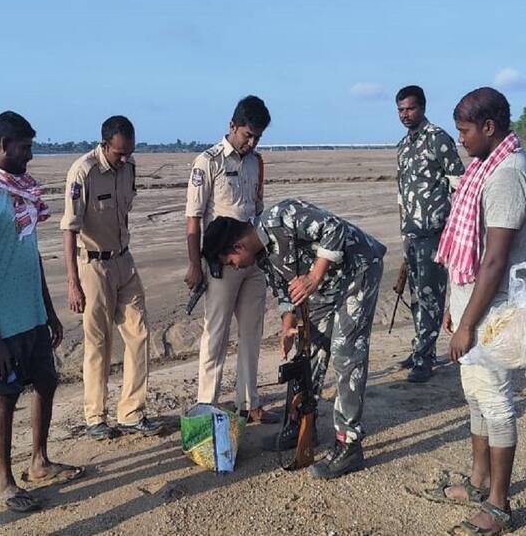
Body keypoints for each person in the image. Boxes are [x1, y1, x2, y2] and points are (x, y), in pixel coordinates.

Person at [202, 198, 386, 479]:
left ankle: (349, 445)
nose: (235, 268)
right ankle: (302, 426)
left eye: (231, 262)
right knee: (307, 350)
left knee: (345, 353)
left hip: (357, 269)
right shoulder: (261, 254)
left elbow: (333, 228)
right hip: (326, 284)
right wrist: (289, 323)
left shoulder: (282, 215)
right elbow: (284, 288)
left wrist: (313, 277)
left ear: (237, 246)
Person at [0, 111, 83, 513]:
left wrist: (48, 311)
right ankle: (4, 483)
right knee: (5, 398)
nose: (30, 155)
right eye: (25, 148)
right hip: (2, 324)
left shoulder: (20, 195)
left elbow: (29, 258)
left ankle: (39, 461)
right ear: (3, 146)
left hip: (31, 315)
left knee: (46, 383)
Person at [429, 88, 526, 535]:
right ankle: (478, 482)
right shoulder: (482, 168)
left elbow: (494, 260)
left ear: (489, 127)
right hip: (472, 304)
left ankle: (498, 505)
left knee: (496, 401)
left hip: (491, 313)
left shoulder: (507, 175)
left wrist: (469, 320)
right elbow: (469, 255)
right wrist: (456, 307)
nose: (461, 140)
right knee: (475, 396)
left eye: (465, 131)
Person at [61, 116, 162, 439]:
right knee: (98, 342)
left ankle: (131, 412)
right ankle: (95, 417)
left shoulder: (129, 168)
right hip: (92, 266)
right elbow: (69, 227)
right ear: (105, 144)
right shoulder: (83, 171)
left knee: (139, 333)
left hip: (123, 261)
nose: (124, 159)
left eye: (128, 153)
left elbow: (124, 211)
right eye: (119, 153)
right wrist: (73, 282)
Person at [184, 95, 277, 424]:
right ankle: (207, 404)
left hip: (252, 259)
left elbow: (258, 209)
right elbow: (193, 219)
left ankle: (248, 403)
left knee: (252, 332)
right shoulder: (207, 162)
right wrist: (195, 264)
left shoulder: (256, 162)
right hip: (221, 262)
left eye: (257, 138)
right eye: (247, 135)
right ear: (232, 126)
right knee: (216, 333)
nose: (251, 143)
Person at [395, 85, 464, 382]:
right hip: (411, 233)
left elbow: (459, 183)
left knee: (431, 296)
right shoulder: (403, 145)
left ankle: (425, 358)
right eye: (400, 110)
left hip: (435, 232)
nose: (405, 115)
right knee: (415, 296)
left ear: (422, 107)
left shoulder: (438, 139)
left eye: (409, 109)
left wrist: (456, 228)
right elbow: (402, 193)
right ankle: (420, 347)